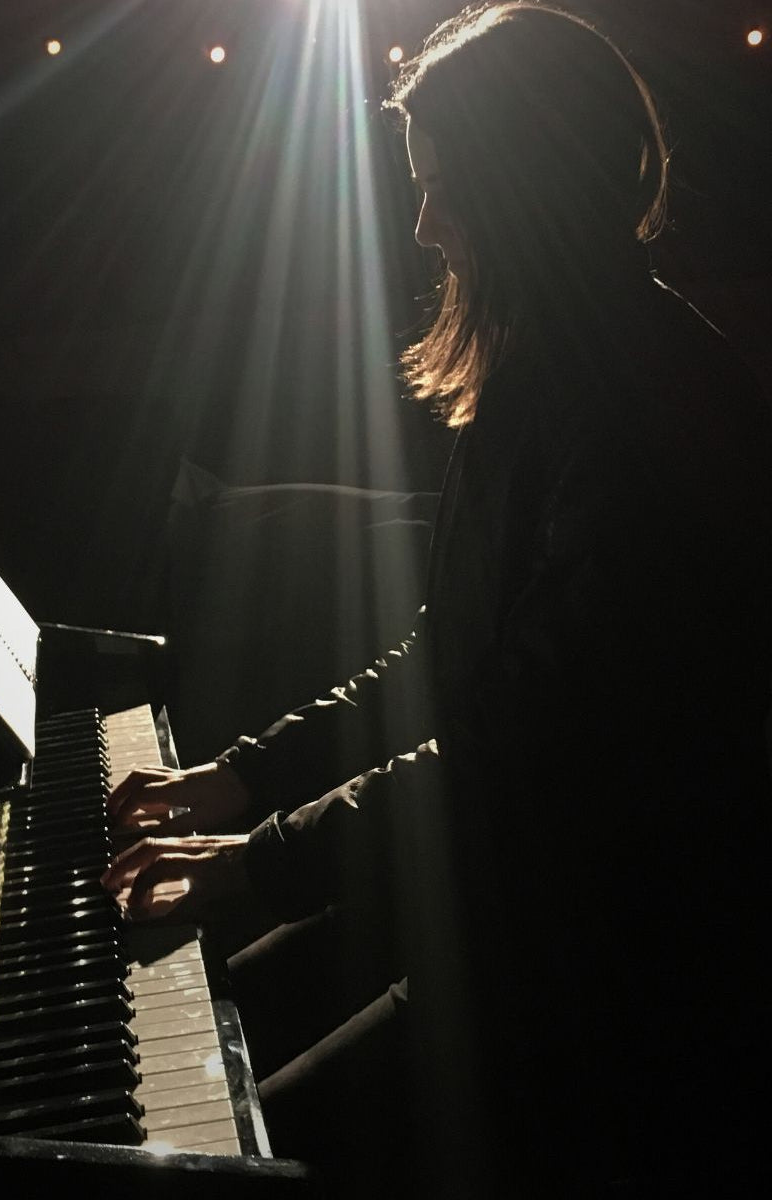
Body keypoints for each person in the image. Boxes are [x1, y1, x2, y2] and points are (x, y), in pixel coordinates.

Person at [102, 4, 772, 1195]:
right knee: (180, 995)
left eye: (442, 184)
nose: (422, 222)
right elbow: (445, 654)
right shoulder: (555, 367)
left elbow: (524, 752)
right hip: (515, 906)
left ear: (526, 185)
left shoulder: (648, 415)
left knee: (219, 1132)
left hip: (615, 982)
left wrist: (265, 856)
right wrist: (245, 778)